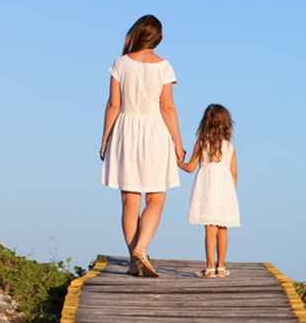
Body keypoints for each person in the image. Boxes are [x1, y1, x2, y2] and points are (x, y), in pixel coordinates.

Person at [100, 15, 185, 277]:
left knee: (129, 202)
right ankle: (142, 248)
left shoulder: (120, 63)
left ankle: (134, 261)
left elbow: (114, 105)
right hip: (155, 131)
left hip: (126, 130)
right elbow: (167, 108)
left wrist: (104, 140)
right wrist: (178, 144)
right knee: (156, 198)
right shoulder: (164, 67)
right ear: (158, 38)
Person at [178, 104, 240, 277]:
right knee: (223, 229)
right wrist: (229, 191)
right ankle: (221, 267)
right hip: (225, 191)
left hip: (207, 190)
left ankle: (210, 267)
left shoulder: (202, 144)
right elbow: (234, 174)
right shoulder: (230, 147)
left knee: (210, 229)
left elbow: (190, 168)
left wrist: (177, 161)